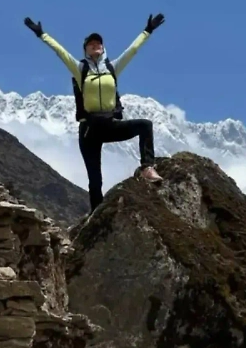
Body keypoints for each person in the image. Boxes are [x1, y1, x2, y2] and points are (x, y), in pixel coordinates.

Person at [23, 14, 166, 212]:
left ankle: (147, 168)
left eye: (98, 42)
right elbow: (60, 52)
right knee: (95, 180)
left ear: (103, 47)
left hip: (109, 125)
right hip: (89, 130)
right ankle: (96, 216)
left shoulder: (112, 68)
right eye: (91, 43)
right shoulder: (80, 69)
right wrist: (41, 34)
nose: (95, 45)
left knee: (145, 125)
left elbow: (132, 50)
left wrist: (147, 30)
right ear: (86, 49)